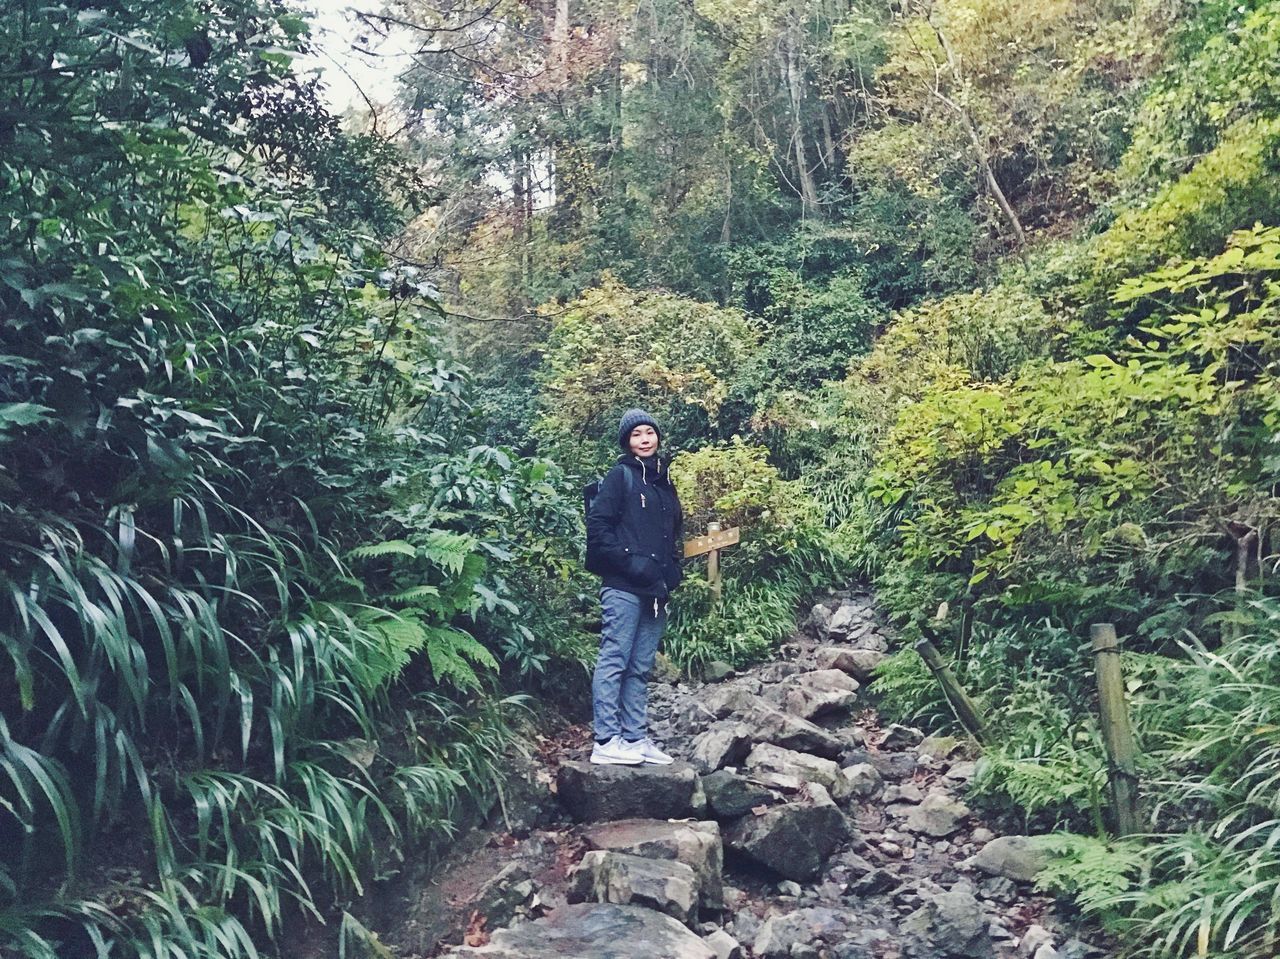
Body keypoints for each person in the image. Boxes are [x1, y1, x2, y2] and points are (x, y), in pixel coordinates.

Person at [585, 409, 684, 765]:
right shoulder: (620, 477)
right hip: (623, 586)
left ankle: (634, 738)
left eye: (649, 433)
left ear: (657, 437)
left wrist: (673, 571)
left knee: (640, 666)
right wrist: (631, 563)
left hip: (655, 590)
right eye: (636, 435)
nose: (645, 439)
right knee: (615, 659)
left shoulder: (663, 483)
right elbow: (598, 528)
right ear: (627, 442)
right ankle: (606, 740)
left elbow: (672, 534)